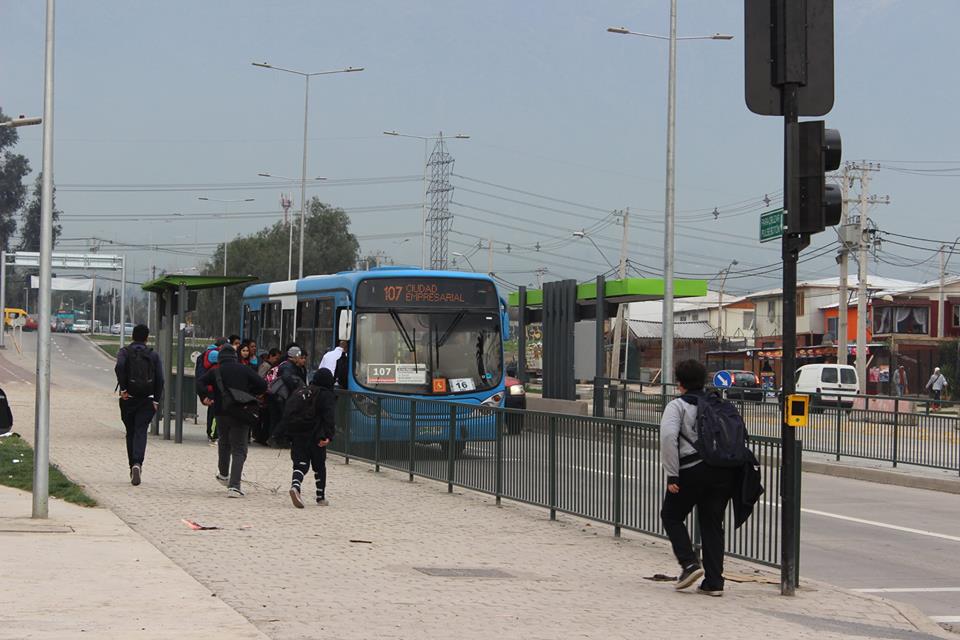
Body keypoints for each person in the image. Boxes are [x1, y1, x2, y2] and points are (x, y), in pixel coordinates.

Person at [659, 359, 737, 597]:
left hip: (691, 470)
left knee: (671, 515)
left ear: (679, 383)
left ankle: (689, 564)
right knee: (712, 524)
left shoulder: (678, 406)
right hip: (723, 472)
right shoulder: (718, 404)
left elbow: (668, 438)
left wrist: (673, 475)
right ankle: (714, 582)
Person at [196, 345, 267, 497]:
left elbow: (199, 382)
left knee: (224, 442)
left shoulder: (215, 371)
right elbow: (262, 385)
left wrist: (204, 397)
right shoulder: (244, 369)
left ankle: (223, 474)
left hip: (220, 412)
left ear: (220, 358)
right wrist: (249, 393)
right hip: (241, 412)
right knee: (239, 448)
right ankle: (234, 486)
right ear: (235, 357)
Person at [114, 324, 164, 486]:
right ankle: (138, 463)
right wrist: (156, 400)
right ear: (147, 338)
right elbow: (161, 379)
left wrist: (124, 388)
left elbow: (119, 367)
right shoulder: (153, 355)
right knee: (141, 431)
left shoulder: (124, 352)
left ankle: (132, 465)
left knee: (130, 432)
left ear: (132, 336)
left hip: (129, 398)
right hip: (147, 399)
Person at [286, 368, 337, 508]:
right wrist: (329, 436)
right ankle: (320, 497)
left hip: (298, 433)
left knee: (300, 464)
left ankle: (295, 486)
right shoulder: (326, 394)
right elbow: (329, 417)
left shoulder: (302, 391)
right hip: (316, 435)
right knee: (319, 465)